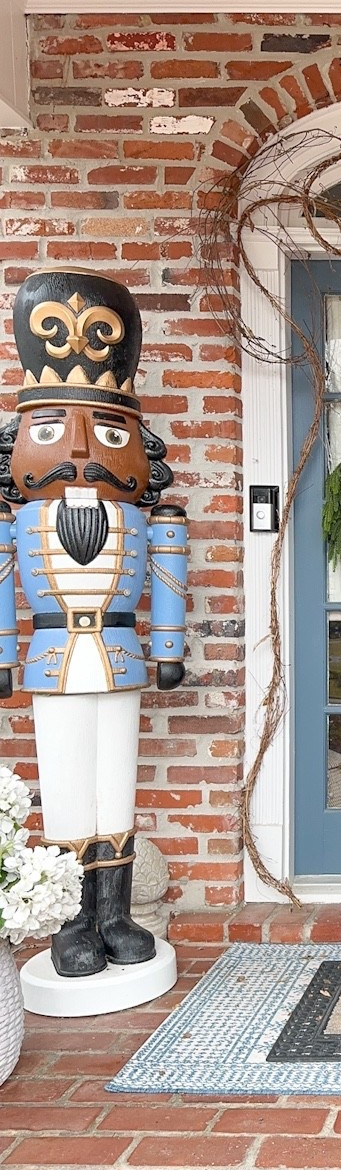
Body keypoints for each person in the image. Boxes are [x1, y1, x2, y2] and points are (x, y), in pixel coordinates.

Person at [0, 267, 188, 978]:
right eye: (49, 429)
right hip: (53, 654)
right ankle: (72, 922)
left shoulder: (151, 519)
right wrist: (4, 656)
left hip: (118, 652)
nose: (79, 451)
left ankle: (115, 912)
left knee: (117, 781)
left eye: (107, 430)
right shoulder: (17, 520)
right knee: (68, 785)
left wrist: (166, 648)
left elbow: (168, 582)